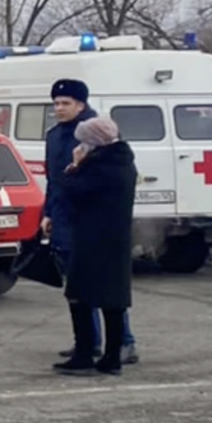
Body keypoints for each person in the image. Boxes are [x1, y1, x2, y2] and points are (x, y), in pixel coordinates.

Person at [44, 79, 137, 365]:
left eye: (66, 103)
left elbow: (81, 181)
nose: (59, 108)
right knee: (77, 285)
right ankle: (87, 342)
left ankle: (122, 342)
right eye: (56, 103)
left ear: (81, 105)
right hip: (66, 216)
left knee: (103, 286)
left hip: (91, 224)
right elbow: (54, 180)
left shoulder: (95, 133)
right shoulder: (55, 135)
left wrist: (76, 169)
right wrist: (48, 212)